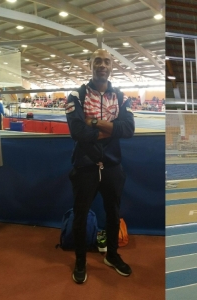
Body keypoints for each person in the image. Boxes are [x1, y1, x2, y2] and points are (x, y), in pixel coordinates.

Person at [65, 49, 134, 284]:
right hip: (85, 166)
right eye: (98, 61)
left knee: (114, 213)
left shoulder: (122, 97)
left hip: (113, 166)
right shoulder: (76, 96)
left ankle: (112, 256)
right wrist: (111, 129)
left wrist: (94, 122)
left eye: (106, 61)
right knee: (80, 215)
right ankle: (81, 261)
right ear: (90, 65)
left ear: (111, 66)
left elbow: (129, 130)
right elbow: (77, 132)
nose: (102, 65)